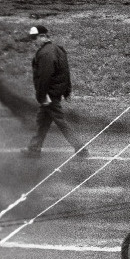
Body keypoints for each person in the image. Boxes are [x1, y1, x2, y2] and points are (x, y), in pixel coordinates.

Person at [21, 25, 88, 159]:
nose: (34, 41)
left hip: (49, 94)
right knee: (42, 121)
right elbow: (66, 72)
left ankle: (81, 148)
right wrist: (67, 90)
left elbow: (44, 77)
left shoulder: (45, 53)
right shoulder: (57, 49)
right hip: (55, 92)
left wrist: (41, 95)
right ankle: (34, 148)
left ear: (43, 37)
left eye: (35, 38)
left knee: (60, 121)